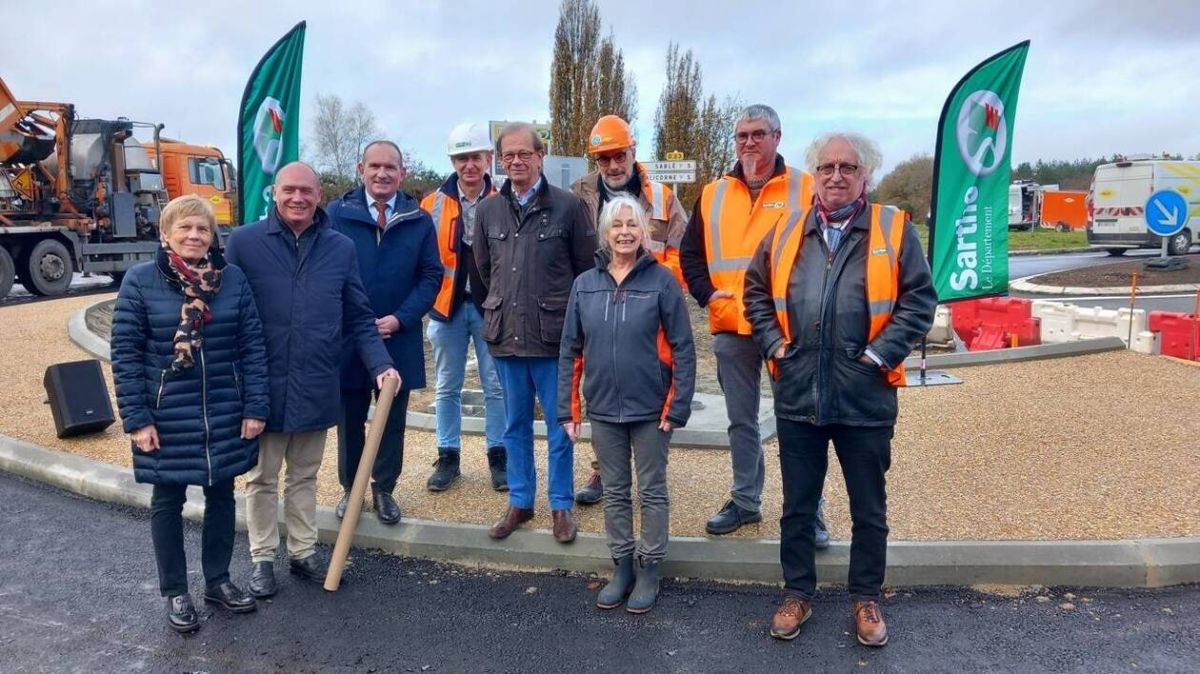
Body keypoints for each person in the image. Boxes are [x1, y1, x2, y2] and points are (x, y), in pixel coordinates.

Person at [743, 132, 936, 646]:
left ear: (864, 175)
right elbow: (755, 293)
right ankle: (797, 592)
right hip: (798, 394)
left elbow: (920, 301)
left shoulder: (894, 230)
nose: (835, 175)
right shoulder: (786, 232)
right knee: (798, 507)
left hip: (865, 397)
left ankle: (866, 598)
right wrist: (775, 347)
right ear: (815, 173)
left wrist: (879, 355)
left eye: (847, 167)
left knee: (868, 508)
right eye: (826, 166)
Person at [226, 162, 399, 598]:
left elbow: (359, 316)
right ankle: (263, 557)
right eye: (289, 190)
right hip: (262, 385)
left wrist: (381, 364)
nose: (298, 198)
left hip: (318, 380)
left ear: (319, 194)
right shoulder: (245, 243)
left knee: (304, 475)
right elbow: (225, 311)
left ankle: (302, 551)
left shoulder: (339, 248)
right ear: (274, 193)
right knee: (262, 478)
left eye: (306, 190)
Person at [111, 195, 268, 633]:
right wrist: (137, 419)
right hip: (165, 415)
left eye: (202, 228)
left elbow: (252, 346)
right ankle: (175, 590)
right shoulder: (140, 282)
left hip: (223, 408)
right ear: (166, 234)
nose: (195, 236)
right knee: (167, 501)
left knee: (222, 496)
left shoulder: (232, 281)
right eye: (185, 228)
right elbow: (125, 354)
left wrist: (255, 406)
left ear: (212, 236)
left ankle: (217, 580)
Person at [680, 104, 831, 544]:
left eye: (758, 134)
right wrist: (707, 294)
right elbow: (691, 254)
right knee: (740, 421)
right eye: (742, 135)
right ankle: (746, 500)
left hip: (790, 329)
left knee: (800, 421)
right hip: (732, 328)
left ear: (777, 137)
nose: (749, 142)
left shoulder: (807, 188)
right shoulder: (713, 194)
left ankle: (810, 513)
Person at [558, 196, 695, 613]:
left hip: (651, 409)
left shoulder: (661, 281)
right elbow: (571, 349)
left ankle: (650, 567)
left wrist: (677, 406)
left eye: (632, 225)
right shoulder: (585, 284)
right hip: (603, 409)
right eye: (616, 225)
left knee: (651, 492)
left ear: (644, 232)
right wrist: (569, 409)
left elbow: (683, 347)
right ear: (605, 232)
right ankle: (621, 565)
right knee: (615, 492)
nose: (624, 232)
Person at [473, 122, 596, 543]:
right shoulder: (489, 210)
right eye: (508, 156)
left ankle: (561, 505)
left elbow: (585, 272)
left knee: (562, 424)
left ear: (540, 156)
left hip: (554, 339)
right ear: (500, 160)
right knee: (515, 424)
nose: (516, 161)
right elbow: (483, 272)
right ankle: (521, 502)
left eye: (524, 153)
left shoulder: (568, 206)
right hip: (506, 337)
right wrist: (499, 310)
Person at [568, 114, 688, 507]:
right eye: (603, 159)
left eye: (619, 155)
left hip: (650, 309)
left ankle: (650, 479)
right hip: (598, 305)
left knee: (649, 389)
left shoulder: (663, 197)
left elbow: (682, 253)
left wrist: (656, 290)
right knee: (604, 389)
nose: (613, 165)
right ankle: (604, 471)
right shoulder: (579, 195)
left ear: (633, 151)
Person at [328, 141, 442, 524]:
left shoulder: (418, 219)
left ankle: (384, 489)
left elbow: (431, 276)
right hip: (349, 337)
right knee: (350, 417)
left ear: (402, 173)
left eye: (390, 167)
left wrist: (401, 318)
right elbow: (326, 271)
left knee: (392, 420)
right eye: (374, 166)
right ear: (361, 169)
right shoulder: (337, 214)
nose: (382, 173)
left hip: (398, 336)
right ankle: (351, 489)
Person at [420, 123, 508, 492]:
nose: (469, 165)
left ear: (488, 159)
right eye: (461, 158)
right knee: (447, 387)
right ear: (452, 162)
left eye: (475, 157)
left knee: (496, 387)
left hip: (493, 308)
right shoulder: (432, 204)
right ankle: (448, 458)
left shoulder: (506, 199)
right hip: (447, 308)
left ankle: (499, 459)